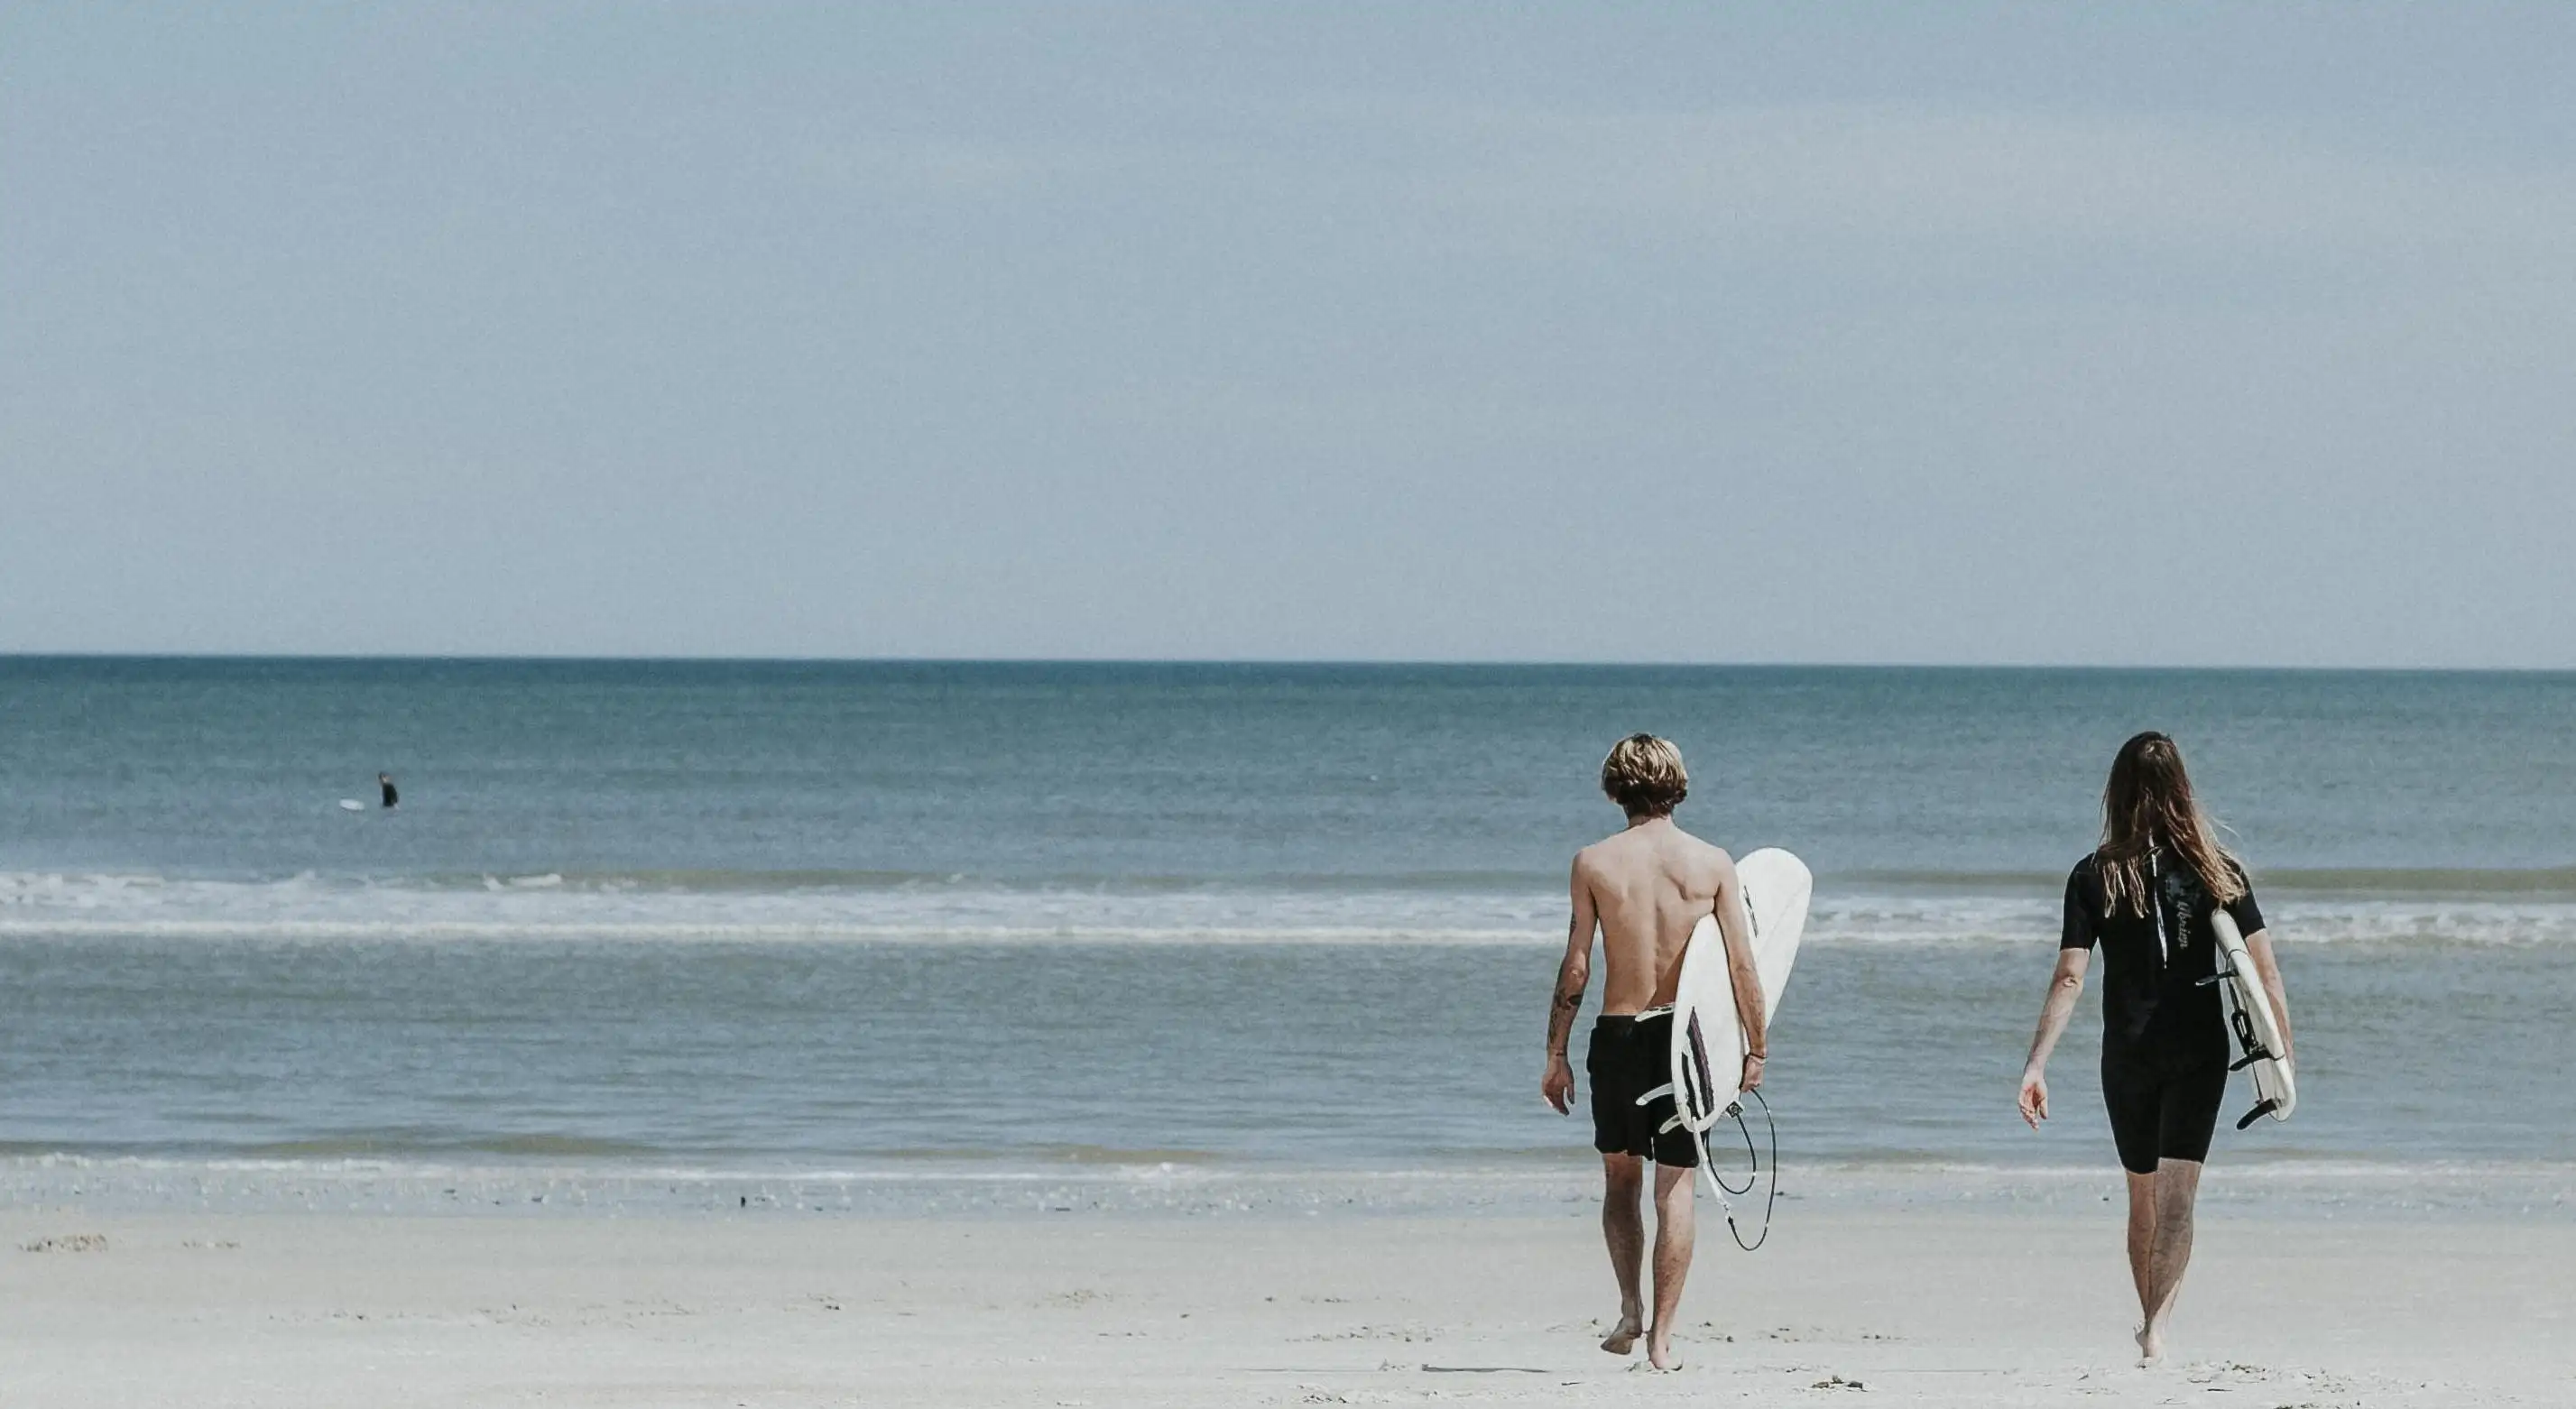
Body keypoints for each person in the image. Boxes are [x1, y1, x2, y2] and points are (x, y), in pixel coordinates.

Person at [2017, 731, 2293, 1365]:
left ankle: (2149, 1326)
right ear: (2181, 788)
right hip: (2197, 1050)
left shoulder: (2093, 875)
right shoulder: (2217, 869)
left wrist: (2036, 1064)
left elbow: (2069, 976)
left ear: (2116, 790)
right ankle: (2156, 1330)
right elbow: (2263, 971)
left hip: (2128, 1053)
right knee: (2178, 1198)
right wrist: (2283, 1056)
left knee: (2142, 1196)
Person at [1542, 734, 1766, 1372]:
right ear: (1679, 783)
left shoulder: (1592, 862)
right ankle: (1663, 1342)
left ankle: (1629, 1310)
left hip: (1616, 1036)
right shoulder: (1713, 864)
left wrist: (1554, 1052)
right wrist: (1756, 1047)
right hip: (1682, 1044)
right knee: (1676, 1186)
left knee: (1619, 1177)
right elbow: (1741, 964)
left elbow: (1577, 967)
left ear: (1614, 787)